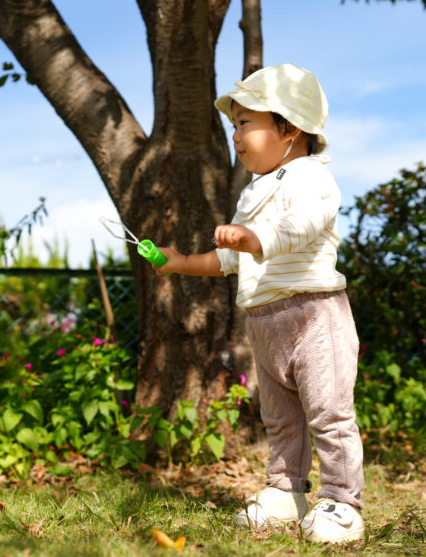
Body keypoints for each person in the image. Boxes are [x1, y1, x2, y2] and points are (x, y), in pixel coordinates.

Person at [155, 63, 365, 544]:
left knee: (329, 413)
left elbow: (305, 224)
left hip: (315, 314)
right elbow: (230, 256)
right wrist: (183, 261)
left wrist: (255, 236)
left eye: (245, 123)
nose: (236, 135)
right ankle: (285, 490)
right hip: (266, 321)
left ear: (288, 127)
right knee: (281, 416)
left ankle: (341, 501)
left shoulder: (311, 177)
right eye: (234, 125)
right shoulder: (255, 190)